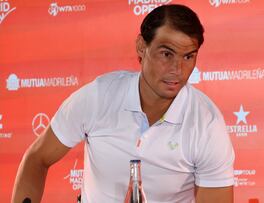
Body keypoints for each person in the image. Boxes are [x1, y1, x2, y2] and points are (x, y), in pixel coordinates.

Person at [12, 4, 235, 203]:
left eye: (188, 56)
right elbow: (37, 158)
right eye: (166, 54)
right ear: (141, 47)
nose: (177, 69)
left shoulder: (207, 124)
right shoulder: (98, 97)